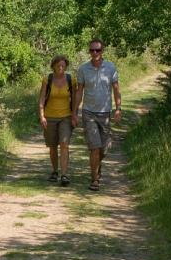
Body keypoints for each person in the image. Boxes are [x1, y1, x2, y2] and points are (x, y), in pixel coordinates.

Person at [72, 39, 122, 191]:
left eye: (98, 50)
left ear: (102, 51)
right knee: (95, 147)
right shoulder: (83, 69)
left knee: (104, 148)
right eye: (92, 50)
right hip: (89, 113)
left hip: (105, 113)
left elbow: (116, 89)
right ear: (89, 51)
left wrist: (118, 108)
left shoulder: (111, 67)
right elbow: (79, 91)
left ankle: (96, 168)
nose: (95, 53)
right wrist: (74, 112)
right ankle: (94, 180)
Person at [38, 54, 77, 187]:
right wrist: (42, 116)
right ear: (53, 66)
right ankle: (55, 171)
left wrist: (75, 115)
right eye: (58, 65)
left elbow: (76, 99)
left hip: (66, 116)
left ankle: (64, 174)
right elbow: (42, 99)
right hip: (49, 117)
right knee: (53, 146)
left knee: (64, 143)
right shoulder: (47, 79)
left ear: (66, 66)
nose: (61, 67)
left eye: (63, 65)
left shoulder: (71, 79)